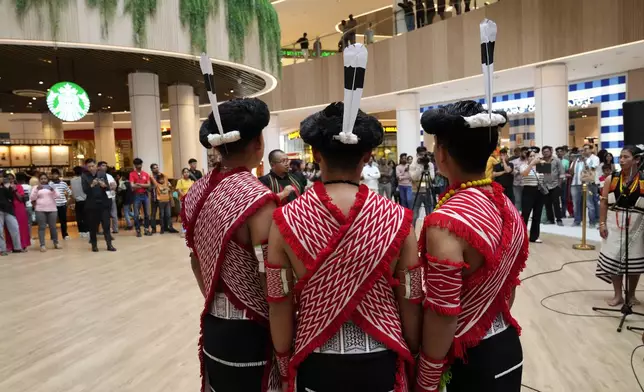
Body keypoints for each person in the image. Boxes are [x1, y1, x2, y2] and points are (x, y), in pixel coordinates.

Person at [267, 102, 420, 391]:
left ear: (316, 154)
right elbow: (411, 296)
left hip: (316, 359)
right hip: (382, 358)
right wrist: (414, 352)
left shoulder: (285, 220)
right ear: (367, 156)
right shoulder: (399, 219)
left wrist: (283, 362)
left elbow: (279, 301)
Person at [417, 100, 527, 391]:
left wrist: (427, 378)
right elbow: (509, 284)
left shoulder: (446, 221)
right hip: (504, 344)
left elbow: (443, 311)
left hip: (469, 360)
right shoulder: (506, 204)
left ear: (441, 153)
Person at [182, 98, 281, 392]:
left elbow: (195, 260)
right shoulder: (256, 198)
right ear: (258, 143)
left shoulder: (196, 192)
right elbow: (270, 276)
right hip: (254, 330)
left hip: (214, 322)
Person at [597, 145, 644, 307]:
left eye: (626, 157)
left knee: (633, 262)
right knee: (614, 259)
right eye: (621, 157)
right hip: (613, 224)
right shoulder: (612, 178)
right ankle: (618, 295)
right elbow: (603, 203)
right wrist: (602, 223)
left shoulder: (643, 179)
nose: (621, 160)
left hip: (637, 226)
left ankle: (631, 295)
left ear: (637, 160)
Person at [82, 159, 116, 252]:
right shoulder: (85, 176)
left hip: (104, 203)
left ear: (96, 166)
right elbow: (85, 190)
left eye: (93, 166)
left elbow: (109, 188)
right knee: (93, 226)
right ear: (87, 167)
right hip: (92, 205)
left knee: (106, 225)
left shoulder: (101, 173)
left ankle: (109, 245)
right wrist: (92, 185)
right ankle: (94, 245)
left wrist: (104, 185)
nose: (91, 168)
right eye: (89, 166)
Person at [570, 144, 600, 227]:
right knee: (576, 204)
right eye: (579, 151)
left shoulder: (590, 159)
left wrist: (584, 161)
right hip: (575, 183)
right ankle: (577, 220)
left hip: (587, 183)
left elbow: (591, 170)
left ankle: (592, 222)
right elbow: (571, 172)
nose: (581, 152)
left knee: (589, 203)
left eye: (583, 150)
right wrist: (574, 160)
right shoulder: (576, 160)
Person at [520, 148, 546, 243]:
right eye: (530, 156)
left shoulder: (540, 166)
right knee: (525, 214)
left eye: (534, 156)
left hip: (539, 191)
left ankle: (534, 236)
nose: (533, 157)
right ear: (527, 158)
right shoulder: (523, 166)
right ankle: (522, 236)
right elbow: (524, 174)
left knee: (537, 215)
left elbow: (547, 175)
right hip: (528, 190)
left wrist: (543, 164)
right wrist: (531, 164)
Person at [31, 173, 61, 252]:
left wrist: (53, 189)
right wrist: (37, 189)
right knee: (41, 227)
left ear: (47, 179)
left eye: (45, 179)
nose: (43, 180)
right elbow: (32, 198)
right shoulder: (35, 187)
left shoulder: (52, 186)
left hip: (52, 209)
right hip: (40, 209)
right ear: (39, 180)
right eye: (41, 179)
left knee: (53, 227)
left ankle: (56, 242)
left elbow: (58, 196)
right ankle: (42, 245)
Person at [410, 146, 436, 227]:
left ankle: (430, 231)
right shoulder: (413, 165)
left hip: (428, 190)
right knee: (414, 214)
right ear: (417, 155)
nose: (423, 157)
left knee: (430, 213)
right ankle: (412, 233)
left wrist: (421, 177)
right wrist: (420, 168)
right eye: (421, 155)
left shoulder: (430, 164)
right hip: (416, 191)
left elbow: (431, 177)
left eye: (424, 155)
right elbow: (413, 177)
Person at [541, 146, 565, 226]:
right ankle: (550, 219)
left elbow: (561, 173)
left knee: (556, 203)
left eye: (547, 151)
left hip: (555, 185)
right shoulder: (541, 160)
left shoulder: (556, 160)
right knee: (547, 203)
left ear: (550, 152)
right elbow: (540, 173)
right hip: (545, 185)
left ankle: (559, 219)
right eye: (544, 152)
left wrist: (559, 185)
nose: (545, 153)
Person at [5, 173, 30, 252]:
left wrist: (15, 190)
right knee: (8, 228)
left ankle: (23, 245)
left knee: (21, 227)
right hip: (8, 209)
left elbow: (21, 199)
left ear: (14, 179)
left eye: (11, 178)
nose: (10, 180)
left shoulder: (19, 187)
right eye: (8, 179)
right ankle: (10, 245)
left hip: (19, 208)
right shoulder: (3, 188)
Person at [129, 157, 152, 237]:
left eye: (140, 164)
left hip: (145, 195)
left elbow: (148, 184)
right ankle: (138, 230)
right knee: (136, 214)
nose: (139, 166)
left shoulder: (145, 174)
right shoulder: (132, 174)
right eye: (137, 164)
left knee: (147, 214)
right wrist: (143, 186)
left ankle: (146, 229)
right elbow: (132, 186)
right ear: (135, 165)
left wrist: (138, 185)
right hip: (136, 196)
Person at [49, 168, 71, 240]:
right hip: (53, 206)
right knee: (52, 222)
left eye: (55, 174)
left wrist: (67, 201)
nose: (54, 175)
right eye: (52, 174)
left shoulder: (63, 183)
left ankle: (65, 235)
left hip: (62, 205)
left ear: (58, 175)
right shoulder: (50, 184)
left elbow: (70, 193)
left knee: (63, 221)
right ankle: (53, 236)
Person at [98, 161, 118, 234]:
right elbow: (101, 186)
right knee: (104, 215)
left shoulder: (109, 176)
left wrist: (111, 186)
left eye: (106, 166)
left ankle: (115, 229)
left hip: (111, 195)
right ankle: (105, 229)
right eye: (103, 165)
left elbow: (114, 185)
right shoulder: (97, 176)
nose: (105, 167)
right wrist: (109, 186)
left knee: (114, 213)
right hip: (102, 197)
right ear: (99, 167)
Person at [70, 166, 88, 238]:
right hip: (85, 199)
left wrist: (75, 197)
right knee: (86, 216)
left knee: (79, 217)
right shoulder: (84, 179)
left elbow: (73, 192)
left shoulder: (72, 180)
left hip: (77, 200)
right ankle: (87, 230)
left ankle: (81, 231)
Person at [16, 172, 34, 240]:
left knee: (19, 223)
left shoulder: (16, 187)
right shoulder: (29, 187)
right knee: (29, 223)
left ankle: (21, 237)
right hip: (28, 206)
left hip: (19, 207)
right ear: (24, 179)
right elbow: (32, 197)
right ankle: (29, 237)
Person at [511, 147, 529, 211]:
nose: (526, 154)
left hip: (527, 184)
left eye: (527, 153)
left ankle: (525, 215)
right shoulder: (513, 162)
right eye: (524, 152)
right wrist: (518, 171)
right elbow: (511, 172)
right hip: (517, 184)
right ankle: (517, 215)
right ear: (520, 152)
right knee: (517, 200)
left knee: (526, 201)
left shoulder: (529, 161)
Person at [556, 146, 570, 218]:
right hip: (555, 182)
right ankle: (557, 213)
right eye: (558, 152)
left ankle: (563, 213)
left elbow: (568, 171)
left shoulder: (566, 162)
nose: (559, 153)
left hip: (564, 182)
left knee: (563, 199)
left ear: (563, 152)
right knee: (556, 199)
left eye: (560, 152)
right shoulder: (554, 161)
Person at [149, 163, 163, 234]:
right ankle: (153, 229)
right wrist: (153, 187)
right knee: (153, 214)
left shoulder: (161, 176)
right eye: (154, 168)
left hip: (161, 197)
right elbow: (148, 188)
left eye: (157, 167)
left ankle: (162, 229)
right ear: (151, 169)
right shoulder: (150, 177)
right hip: (154, 198)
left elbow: (164, 184)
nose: (156, 169)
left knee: (161, 214)